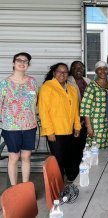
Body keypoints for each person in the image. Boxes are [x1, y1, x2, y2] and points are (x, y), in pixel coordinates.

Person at [0, 52, 38, 185]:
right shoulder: (4, 83)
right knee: (14, 156)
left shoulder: (32, 82)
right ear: (13, 63)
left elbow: (35, 103)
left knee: (26, 156)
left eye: (25, 61)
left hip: (29, 126)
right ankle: (14, 187)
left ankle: (25, 186)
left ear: (28, 65)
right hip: (11, 127)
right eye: (19, 60)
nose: (22, 63)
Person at [38, 63, 81, 180]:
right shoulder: (47, 87)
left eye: (65, 72)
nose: (62, 74)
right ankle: (59, 186)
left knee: (70, 158)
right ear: (54, 73)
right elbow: (43, 111)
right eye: (59, 71)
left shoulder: (72, 89)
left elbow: (76, 110)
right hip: (55, 132)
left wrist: (77, 126)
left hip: (70, 131)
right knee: (58, 159)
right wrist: (49, 131)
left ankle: (72, 180)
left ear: (68, 74)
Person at [67, 61, 91, 181]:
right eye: (75, 68)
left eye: (81, 68)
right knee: (72, 148)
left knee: (82, 147)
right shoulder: (67, 81)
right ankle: (72, 175)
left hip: (85, 120)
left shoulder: (88, 81)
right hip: (72, 121)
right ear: (71, 70)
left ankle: (81, 171)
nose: (78, 70)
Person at [80, 61, 108, 148]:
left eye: (105, 69)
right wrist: (89, 127)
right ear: (96, 71)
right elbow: (85, 107)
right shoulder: (92, 86)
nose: (102, 71)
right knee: (96, 149)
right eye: (99, 69)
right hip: (96, 124)